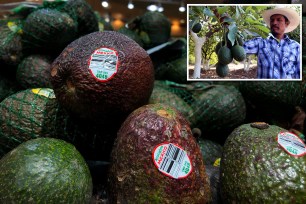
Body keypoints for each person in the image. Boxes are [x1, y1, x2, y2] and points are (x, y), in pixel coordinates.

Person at [243, 7, 300, 79]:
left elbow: (298, 75)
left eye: (279, 20)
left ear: (286, 23)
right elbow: (241, 48)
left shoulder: (296, 47)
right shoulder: (260, 42)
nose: (274, 22)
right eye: (272, 20)